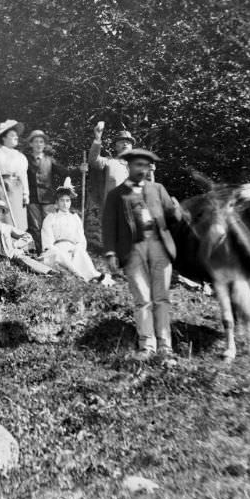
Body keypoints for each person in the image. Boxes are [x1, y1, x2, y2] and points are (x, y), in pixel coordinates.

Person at [102, 148, 181, 361]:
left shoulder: (158, 189)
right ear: (129, 166)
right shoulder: (116, 194)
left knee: (161, 298)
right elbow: (108, 226)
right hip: (132, 250)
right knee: (143, 299)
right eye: (138, 165)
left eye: (145, 166)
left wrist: (176, 211)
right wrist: (110, 252)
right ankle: (147, 346)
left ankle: (165, 346)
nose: (142, 170)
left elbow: (172, 218)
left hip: (159, 246)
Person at [40, 178, 113, 284]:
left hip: (72, 249)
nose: (65, 204)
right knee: (58, 255)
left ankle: (92, 275)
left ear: (70, 202)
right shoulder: (51, 218)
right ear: (57, 202)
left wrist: (76, 248)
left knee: (80, 252)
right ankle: (80, 276)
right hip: (57, 250)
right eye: (62, 200)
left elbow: (81, 240)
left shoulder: (75, 218)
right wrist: (58, 249)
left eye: (67, 201)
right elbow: (47, 242)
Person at [25, 130, 87, 253]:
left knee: (50, 225)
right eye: (35, 141)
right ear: (31, 144)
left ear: (44, 144)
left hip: (47, 198)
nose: (38, 144)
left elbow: (64, 172)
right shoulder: (25, 160)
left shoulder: (49, 160)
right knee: (35, 227)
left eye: (41, 142)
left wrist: (79, 169)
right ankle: (40, 253)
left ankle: (52, 252)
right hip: (32, 198)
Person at [0, 200, 52, 274]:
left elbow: (27, 236)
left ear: (2, 215)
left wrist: (15, 244)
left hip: (12, 256)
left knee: (23, 259)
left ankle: (49, 271)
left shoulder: (7, 227)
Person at [0, 120, 30, 231]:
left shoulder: (21, 156)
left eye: (16, 135)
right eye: (12, 135)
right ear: (4, 138)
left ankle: (17, 239)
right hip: (2, 188)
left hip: (17, 189)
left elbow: (23, 176)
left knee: (18, 218)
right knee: (5, 216)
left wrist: (26, 193)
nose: (16, 137)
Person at [87, 122, 135, 210]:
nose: (125, 144)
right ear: (116, 147)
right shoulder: (109, 162)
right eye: (122, 142)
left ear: (132, 147)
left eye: (128, 142)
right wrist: (98, 138)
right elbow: (93, 160)